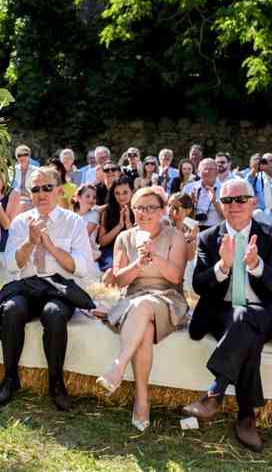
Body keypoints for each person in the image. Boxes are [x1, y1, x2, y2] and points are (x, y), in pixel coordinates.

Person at [0, 166, 95, 409]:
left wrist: (49, 246)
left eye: (47, 187)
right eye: (36, 189)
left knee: (54, 313)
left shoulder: (73, 222)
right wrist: (30, 241)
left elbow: (81, 267)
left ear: (59, 191)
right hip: (27, 287)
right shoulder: (20, 222)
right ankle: (10, 378)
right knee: (11, 308)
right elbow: (10, 265)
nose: (41, 193)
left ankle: (56, 383)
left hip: (57, 288)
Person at [183, 179, 272, 452]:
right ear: (219, 205)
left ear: (253, 202)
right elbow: (198, 285)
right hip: (222, 311)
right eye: (227, 201)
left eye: (240, 199)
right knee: (246, 329)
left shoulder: (269, 236)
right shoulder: (209, 237)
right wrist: (223, 265)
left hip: (265, 311)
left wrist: (257, 265)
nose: (234, 206)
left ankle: (215, 391)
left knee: (248, 320)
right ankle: (246, 418)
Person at [95, 187, 187, 431]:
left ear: (162, 210)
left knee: (144, 306)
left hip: (167, 297)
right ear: (132, 210)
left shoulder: (175, 236)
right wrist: (138, 263)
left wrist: (154, 255)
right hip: (133, 297)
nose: (145, 213)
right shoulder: (124, 238)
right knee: (144, 327)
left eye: (151, 207)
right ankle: (142, 400)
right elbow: (119, 281)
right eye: (139, 207)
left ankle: (118, 365)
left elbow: (176, 277)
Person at [98, 176, 135, 271]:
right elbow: (102, 242)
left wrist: (127, 222)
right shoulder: (107, 211)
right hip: (110, 250)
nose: (121, 197)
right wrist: (119, 226)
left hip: (131, 249)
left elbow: (136, 241)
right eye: (117, 193)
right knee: (113, 269)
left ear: (132, 191)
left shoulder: (138, 210)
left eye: (125, 192)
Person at [183, 158, 222, 231]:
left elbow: (226, 216)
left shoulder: (224, 189)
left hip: (215, 230)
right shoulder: (188, 188)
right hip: (192, 229)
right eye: (205, 169)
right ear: (199, 172)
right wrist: (191, 204)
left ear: (217, 172)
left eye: (211, 169)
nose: (207, 172)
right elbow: (181, 214)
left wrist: (215, 202)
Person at [72, 183, 101, 260]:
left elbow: (85, 235)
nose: (91, 199)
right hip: (73, 247)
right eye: (87, 196)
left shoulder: (94, 214)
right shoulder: (73, 215)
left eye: (94, 197)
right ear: (78, 197)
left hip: (88, 251)